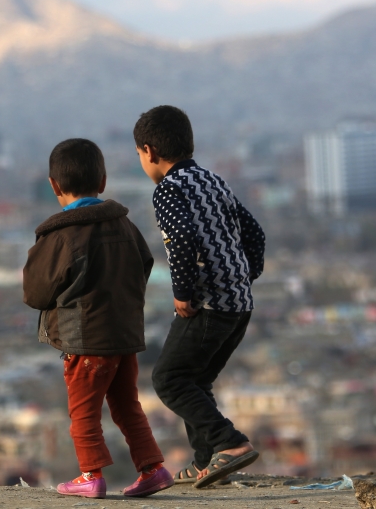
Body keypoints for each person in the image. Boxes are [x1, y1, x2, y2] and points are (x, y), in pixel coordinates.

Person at [23, 138, 175, 499]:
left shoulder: (60, 235)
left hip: (85, 341)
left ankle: (90, 476)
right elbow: (145, 265)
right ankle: (153, 469)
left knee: (83, 413)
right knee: (127, 407)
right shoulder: (125, 226)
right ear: (103, 181)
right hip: (124, 337)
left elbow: (35, 293)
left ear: (54, 186)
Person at [133, 105, 266, 488]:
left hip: (208, 305)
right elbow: (254, 233)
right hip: (239, 304)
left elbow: (182, 242)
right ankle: (207, 461)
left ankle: (231, 443)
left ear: (150, 152)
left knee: (169, 379)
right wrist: (243, 275)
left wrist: (183, 293)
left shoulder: (168, 190)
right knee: (196, 380)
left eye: (140, 156)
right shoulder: (212, 180)